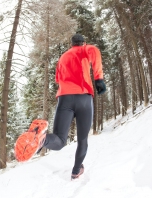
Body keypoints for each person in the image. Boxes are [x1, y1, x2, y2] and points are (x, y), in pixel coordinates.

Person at [41, 33, 106, 180]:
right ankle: (76, 170)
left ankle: (41, 140)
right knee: (82, 140)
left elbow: (58, 78)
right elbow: (94, 51)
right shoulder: (84, 50)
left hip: (64, 99)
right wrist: (99, 78)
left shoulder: (63, 57)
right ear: (83, 43)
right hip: (84, 98)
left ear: (71, 44)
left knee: (59, 140)